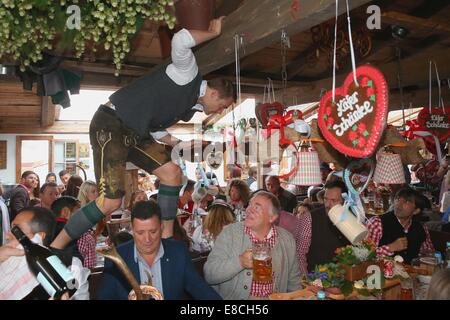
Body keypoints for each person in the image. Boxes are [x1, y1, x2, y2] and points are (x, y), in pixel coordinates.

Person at [51, 17, 235, 250]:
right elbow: (180, 40)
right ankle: (55, 247)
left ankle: (167, 241)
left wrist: (180, 144)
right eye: (223, 105)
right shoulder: (188, 74)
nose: (220, 111)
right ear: (215, 94)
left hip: (135, 132)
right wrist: (213, 32)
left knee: (172, 173)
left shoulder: (191, 105)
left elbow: (155, 127)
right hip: (111, 123)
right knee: (110, 202)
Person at [96, 200, 221, 300]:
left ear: (161, 227)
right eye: (140, 233)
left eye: (153, 231)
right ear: (132, 230)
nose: (147, 239)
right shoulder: (117, 258)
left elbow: (200, 289)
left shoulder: (178, 252)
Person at [204, 191, 301, 299]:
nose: (249, 209)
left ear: (272, 217)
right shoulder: (229, 233)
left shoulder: (287, 239)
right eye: (250, 204)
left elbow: (294, 282)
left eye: (257, 207)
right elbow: (209, 274)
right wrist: (240, 262)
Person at [4, 206, 90, 300]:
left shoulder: (71, 267)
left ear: (39, 237)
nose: (7, 236)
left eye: (16, 230)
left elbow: (78, 292)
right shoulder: (6, 258)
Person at [366, 187, 434, 264]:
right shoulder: (376, 223)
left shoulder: (421, 227)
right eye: (398, 199)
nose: (399, 204)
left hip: (412, 273)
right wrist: (390, 248)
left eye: (406, 202)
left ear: (416, 211)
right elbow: (365, 256)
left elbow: (429, 254)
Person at [305, 180, 350, 272]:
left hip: (346, 275)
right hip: (317, 278)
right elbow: (299, 253)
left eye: (333, 200)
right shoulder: (309, 218)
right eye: (325, 199)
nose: (328, 204)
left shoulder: (352, 217)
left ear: (345, 200)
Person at [51, 196, 96, 269]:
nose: (81, 216)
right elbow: (89, 269)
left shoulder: (43, 232)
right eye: (78, 212)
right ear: (65, 212)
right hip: (74, 277)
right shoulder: (84, 237)